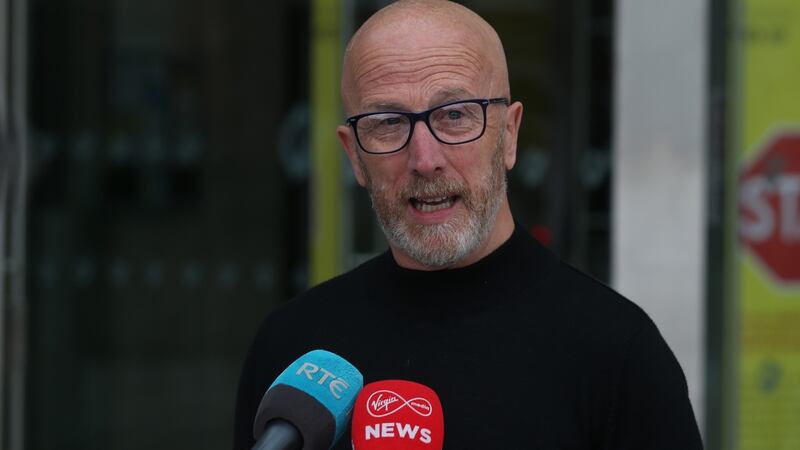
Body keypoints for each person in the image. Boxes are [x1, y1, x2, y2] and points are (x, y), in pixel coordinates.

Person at [233, 1, 704, 449]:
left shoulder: (618, 354)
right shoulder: (293, 353)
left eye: (455, 115)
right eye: (388, 123)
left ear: (510, 134)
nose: (424, 159)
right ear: (354, 155)